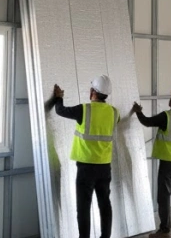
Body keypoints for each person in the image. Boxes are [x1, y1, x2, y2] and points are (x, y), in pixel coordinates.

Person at [49, 75, 119, 238]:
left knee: (84, 207)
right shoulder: (114, 112)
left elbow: (60, 111)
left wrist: (59, 98)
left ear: (93, 92)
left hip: (86, 167)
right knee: (105, 204)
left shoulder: (84, 109)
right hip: (104, 167)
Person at [131, 86, 171, 238]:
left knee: (164, 196)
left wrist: (138, 111)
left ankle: (164, 230)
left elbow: (146, 122)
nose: (170, 99)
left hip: (169, 162)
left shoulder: (167, 116)